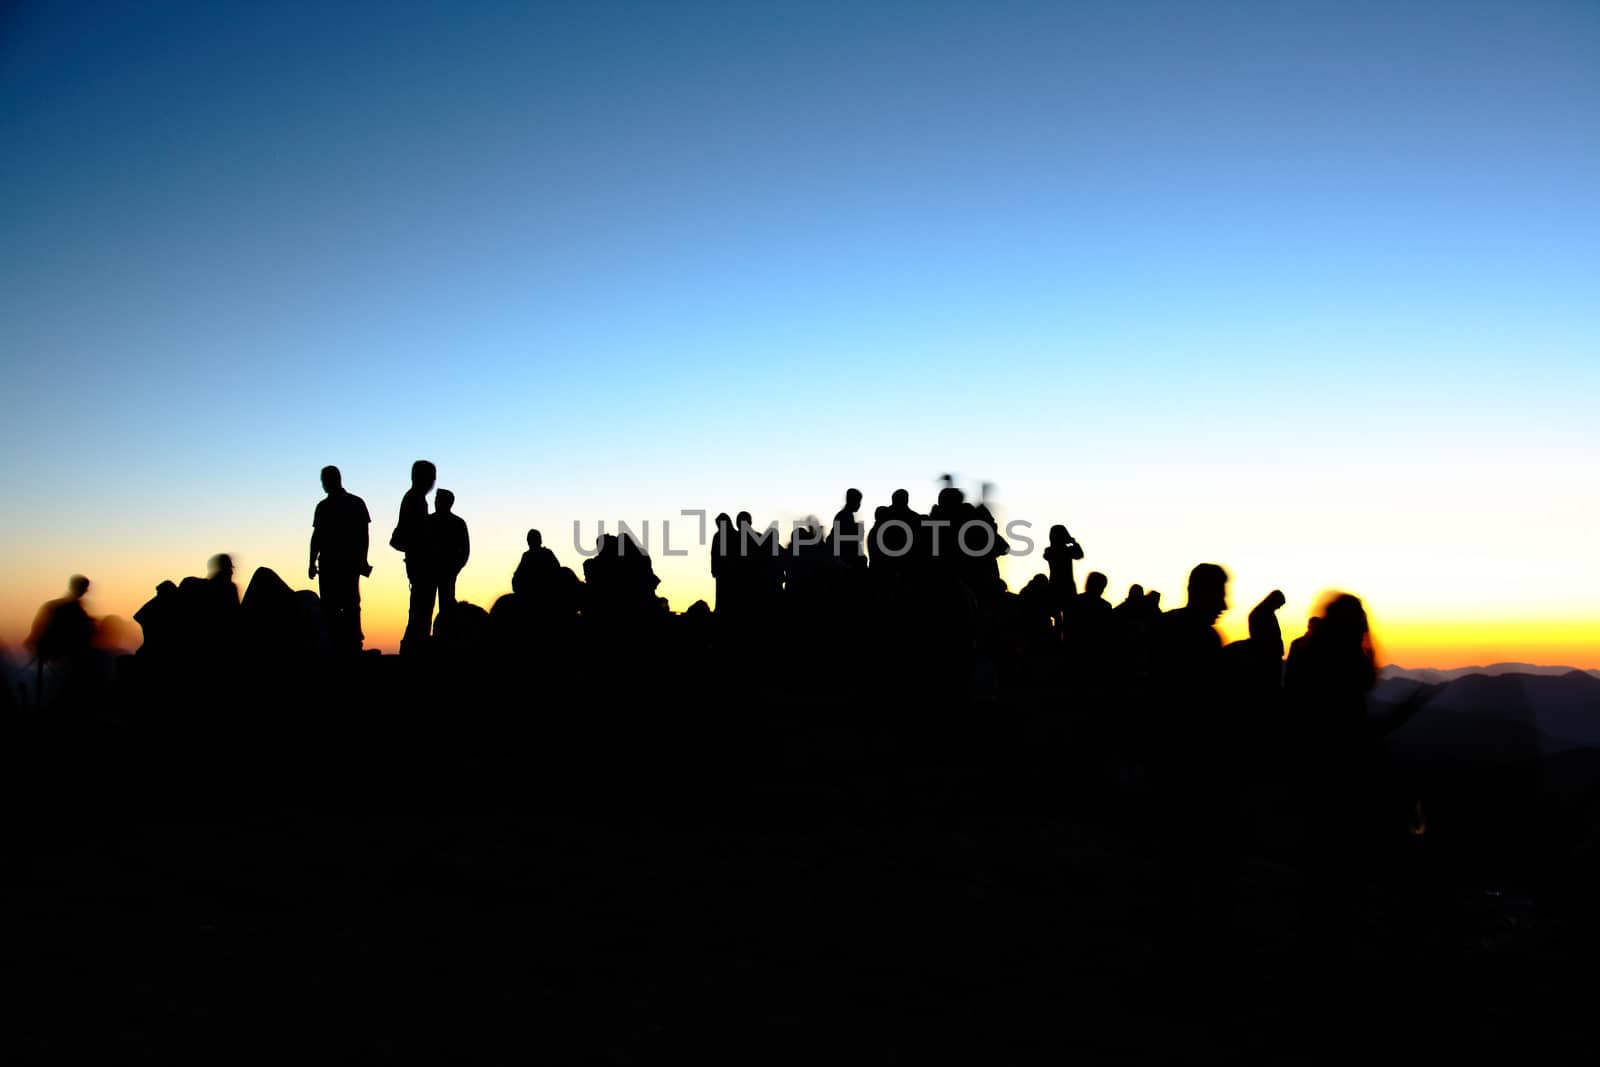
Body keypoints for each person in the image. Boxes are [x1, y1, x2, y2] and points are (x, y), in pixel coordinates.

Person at [309, 465, 372, 653]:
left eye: (325, 480)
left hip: (343, 564)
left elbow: (364, 535)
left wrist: (362, 559)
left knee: (347, 605)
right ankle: (343, 644)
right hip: (334, 564)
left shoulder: (346, 504)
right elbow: (317, 537)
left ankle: (349, 644)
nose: (324, 485)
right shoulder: (346, 504)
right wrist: (311, 562)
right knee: (335, 606)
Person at [390, 460, 437, 655]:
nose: (433, 481)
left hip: (417, 562)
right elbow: (418, 535)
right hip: (420, 563)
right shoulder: (415, 500)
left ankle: (414, 648)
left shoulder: (414, 498)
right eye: (431, 477)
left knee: (420, 610)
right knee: (421, 612)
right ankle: (413, 650)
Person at [428, 489, 470, 611]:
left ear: (449, 503)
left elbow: (465, 551)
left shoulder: (458, 523)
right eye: (436, 500)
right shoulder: (428, 521)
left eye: (440, 500)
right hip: (429, 571)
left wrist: (454, 569)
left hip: (448, 572)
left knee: (446, 607)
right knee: (425, 608)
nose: (437, 502)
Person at [828, 488, 867, 569]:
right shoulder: (845, 516)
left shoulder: (844, 516)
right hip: (846, 562)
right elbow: (848, 542)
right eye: (858, 501)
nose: (859, 504)